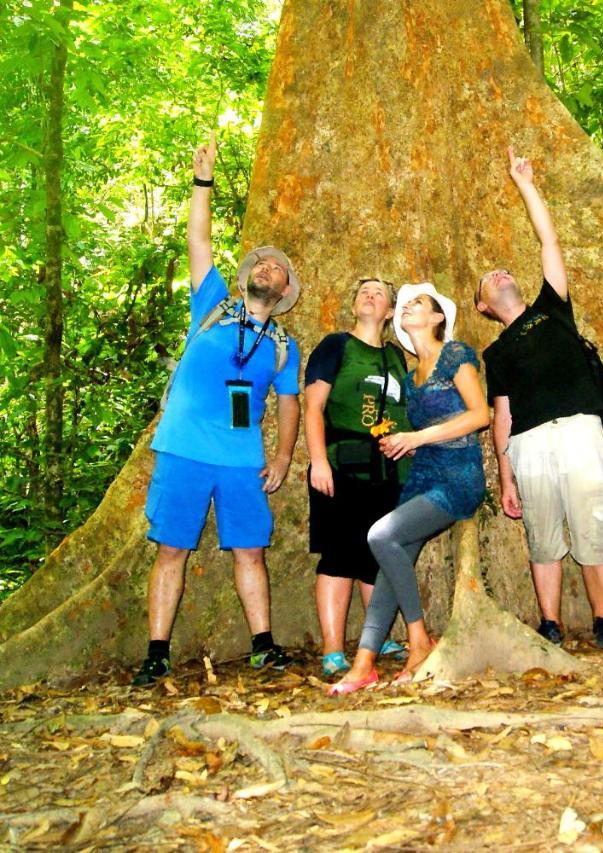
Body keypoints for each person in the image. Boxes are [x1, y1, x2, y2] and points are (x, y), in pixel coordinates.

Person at [133, 132, 302, 685]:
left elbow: (290, 403)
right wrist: (202, 180)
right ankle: (156, 652)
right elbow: (198, 240)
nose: (268, 270)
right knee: (172, 550)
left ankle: (263, 645)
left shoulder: (283, 344)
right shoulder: (212, 304)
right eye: (262, 263)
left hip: (240, 458)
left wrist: (281, 456)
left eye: (278, 269)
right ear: (247, 274)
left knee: (250, 551)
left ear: (283, 289)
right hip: (182, 448)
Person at [474, 148, 603, 650]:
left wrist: (525, 184)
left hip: (580, 428)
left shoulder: (551, 309)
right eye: (488, 280)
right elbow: (502, 416)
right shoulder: (494, 351)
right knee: (542, 534)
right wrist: (506, 475)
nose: (498, 275)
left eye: (502, 272)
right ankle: (551, 623)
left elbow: (548, 240)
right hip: (529, 443)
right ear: (482, 307)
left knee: (592, 522)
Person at [327, 283, 489, 694]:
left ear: (437, 318)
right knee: (390, 558)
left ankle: (419, 640)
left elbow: (480, 415)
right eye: (404, 305)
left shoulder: (455, 355)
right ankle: (364, 662)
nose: (406, 308)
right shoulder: (411, 373)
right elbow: (418, 429)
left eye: (417, 303)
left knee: (380, 534)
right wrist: (400, 439)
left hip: (457, 475)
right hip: (422, 474)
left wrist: (415, 439)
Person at [304, 278, 415, 677]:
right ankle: (333, 649)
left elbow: (402, 411)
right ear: (354, 306)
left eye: (379, 293)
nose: (370, 296)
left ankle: (376, 634)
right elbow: (313, 407)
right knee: (338, 555)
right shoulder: (336, 346)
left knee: (377, 555)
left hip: (386, 469)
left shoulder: (398, 358)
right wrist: (318, 461)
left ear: (389, 312)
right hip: (340, 462)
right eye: (363, 292)